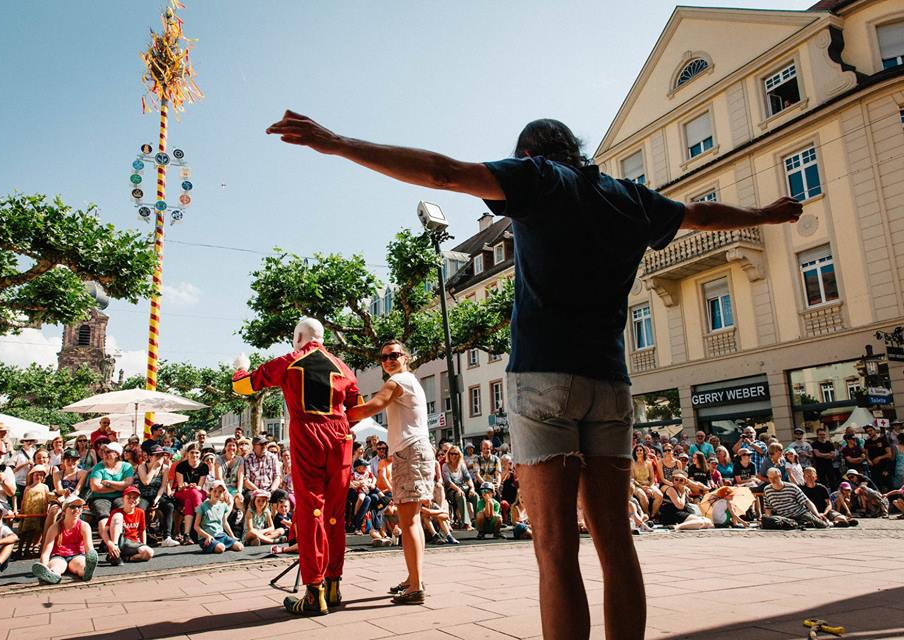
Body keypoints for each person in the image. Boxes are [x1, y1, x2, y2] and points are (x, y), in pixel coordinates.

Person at [266, 110, 802, 638]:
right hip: (610, 381)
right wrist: (765, 215)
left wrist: (338, 142)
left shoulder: (540, 178)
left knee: (555, 547)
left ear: (527, 154)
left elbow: (442, 173)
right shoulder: (629, 198)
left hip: (544, 379)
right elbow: (699, 215)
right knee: (617, 543)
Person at [233, 317, 363, 616]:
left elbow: (243, 386)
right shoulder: (344, 368)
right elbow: (357, 409)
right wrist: (340, 426)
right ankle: (333, 584)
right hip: (340, 438)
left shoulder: (289, 361)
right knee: (334, 515)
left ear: (298, 337)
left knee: (310, 511)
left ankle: (314, 591)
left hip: (307, 435)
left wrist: (240, 367)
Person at [347, 339, 436, 605]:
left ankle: (415, 587)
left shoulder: (398, 381)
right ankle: (414, 578)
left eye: (394, 355)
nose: (388, 360)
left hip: (410, 452)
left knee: (407, 522)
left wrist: (337, 414)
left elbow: (372, 407)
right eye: (384, 357)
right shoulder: (410, 380)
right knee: (413, 520)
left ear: (405, 357)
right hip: (416, 450)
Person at [32, 495, 98, 584]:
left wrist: (91, 556)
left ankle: (86, 572)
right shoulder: (55, 527)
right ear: (64, 511)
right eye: (72, 507)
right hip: (58, 556)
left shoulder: (84, 526)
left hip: (77, 555)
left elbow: (89, 548)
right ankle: (51, 575)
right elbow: (46, 552)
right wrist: (43, 565)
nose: (77, 509)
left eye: (79, 506)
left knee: (81, 565)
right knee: (56, 566)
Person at [103, 485, 154, 565]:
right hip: (120, 541)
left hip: (132, 543)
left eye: (135, 498)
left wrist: (144, 545)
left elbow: (142, 530)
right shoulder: (116, 512)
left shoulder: (140, 512)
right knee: (118, 516)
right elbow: (105, 531)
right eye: (129, 497)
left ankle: (126, 558)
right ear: (123, 499)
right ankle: (115, 554)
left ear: (139, 500)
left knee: (149, 552)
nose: (132, 500)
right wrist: (110, 544)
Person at [762, 468, 828, 528]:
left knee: (822, 525)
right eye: (770, 478)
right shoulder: (767, 490)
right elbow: (768, 508)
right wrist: (769, 519)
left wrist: (816, 514)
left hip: (800, 514)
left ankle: (802, 523)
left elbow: (807, 502)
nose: (773, 480)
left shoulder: (792, 487)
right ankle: (798, 524)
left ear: (780, 476)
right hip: (783, 518)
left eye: (775, 477)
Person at [196, 480, 244, 554]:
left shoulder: (223, 505)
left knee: (239, 547)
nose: (217, 494)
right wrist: (207, 536)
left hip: (220, 535)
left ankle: (222, 545)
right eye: (215, 491)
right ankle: (214, 546)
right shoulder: (202, 506)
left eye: (220, 492)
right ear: (210, 491)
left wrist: (232, 536)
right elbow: (196, 526)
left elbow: (224, 522)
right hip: (206, 537)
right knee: (221, 548)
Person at [174, 443, 208, 543]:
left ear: (200, 454)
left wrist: (195, 487)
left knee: (189, 501)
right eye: (192, 452)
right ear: (187, 454)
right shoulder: (181, 466)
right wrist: (185, 486)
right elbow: (180, 487)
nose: (194, 455)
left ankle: (187, 535)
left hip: (198, 492)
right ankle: (202, 523)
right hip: (183, 492)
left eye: (197, 453)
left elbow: (200, 486)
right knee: (192, 493)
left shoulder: (203, 466)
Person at [18, 464, 52, 555]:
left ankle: (27, 549)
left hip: (38, 513)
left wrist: (46, 510)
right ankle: (19, 550)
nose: (38, 477)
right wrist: (22, 511)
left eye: (41, 475)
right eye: (36, 474)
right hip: (28, 513)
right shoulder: (28, 488)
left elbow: (47, 500)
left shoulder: (45, 487)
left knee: (33, 532)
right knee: (24, 532)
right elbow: (23, 500)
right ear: (32, 475)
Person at [442, 445, 477, 528]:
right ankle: (466, 523)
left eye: (456, 454)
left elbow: (468, 478)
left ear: (459, 455)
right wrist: (458, 489)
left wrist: (472, 488)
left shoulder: (462, 465)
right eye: (451, 453)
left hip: (463, 487)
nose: (453, 456)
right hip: (451, 490)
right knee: (460, 495)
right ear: (448, 455)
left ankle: (478, 520)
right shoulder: (445, 466)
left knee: (475, 495)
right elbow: (448, 482)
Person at [243, 436, 282, 506]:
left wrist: (271, 491)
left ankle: (280, 514)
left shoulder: (272, 457)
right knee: (248, 496)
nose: (264, 446)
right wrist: (258, 491)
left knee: (283, 495)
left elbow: (277, 477)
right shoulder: (247, 459)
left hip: (269, 490)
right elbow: (246, 481)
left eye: (265, 444)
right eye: (261, 444)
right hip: (254, 490)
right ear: (254, 446)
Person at [631, 445, 662, 519]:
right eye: (637, 450)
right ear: (635, 452)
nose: (639, 452)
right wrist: (642, 487)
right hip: (637, 485)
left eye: (640, 450)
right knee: (643, 496)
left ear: (643, 452)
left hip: (648, 484)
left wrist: (650, 488)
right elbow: (632, 479)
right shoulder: (632, 463)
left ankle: (653, 516)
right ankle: (646, 515)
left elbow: (652, 478)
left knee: (659, 495)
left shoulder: (648, 463)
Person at [863, 424, 894, 491]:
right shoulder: (867, 442)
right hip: (874, 468)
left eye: (871, 430)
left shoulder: (883, 440)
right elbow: (866, 454)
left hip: (884, 467)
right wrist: (868, 460)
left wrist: (879, 458)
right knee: (877, 487)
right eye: (867, 431)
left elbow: (889, 454)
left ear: (875, 430)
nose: (869, 432)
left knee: (889, 486)